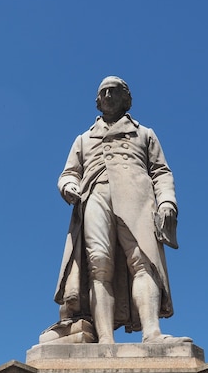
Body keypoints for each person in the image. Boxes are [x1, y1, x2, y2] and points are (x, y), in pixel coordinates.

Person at [54, 76, 191, 344]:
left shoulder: (145, 134)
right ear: (97, 101)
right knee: (98, 265)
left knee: (144, 262)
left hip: (138, 198)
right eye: (102, 91)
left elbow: (161, 172)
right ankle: (105, 339)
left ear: (126, 98)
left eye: (113, 90)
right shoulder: (83, 139)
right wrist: (69, 185)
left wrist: (167, 201)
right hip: (95, 194)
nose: (107, 95)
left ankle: (152, 333)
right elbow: (68, 173)